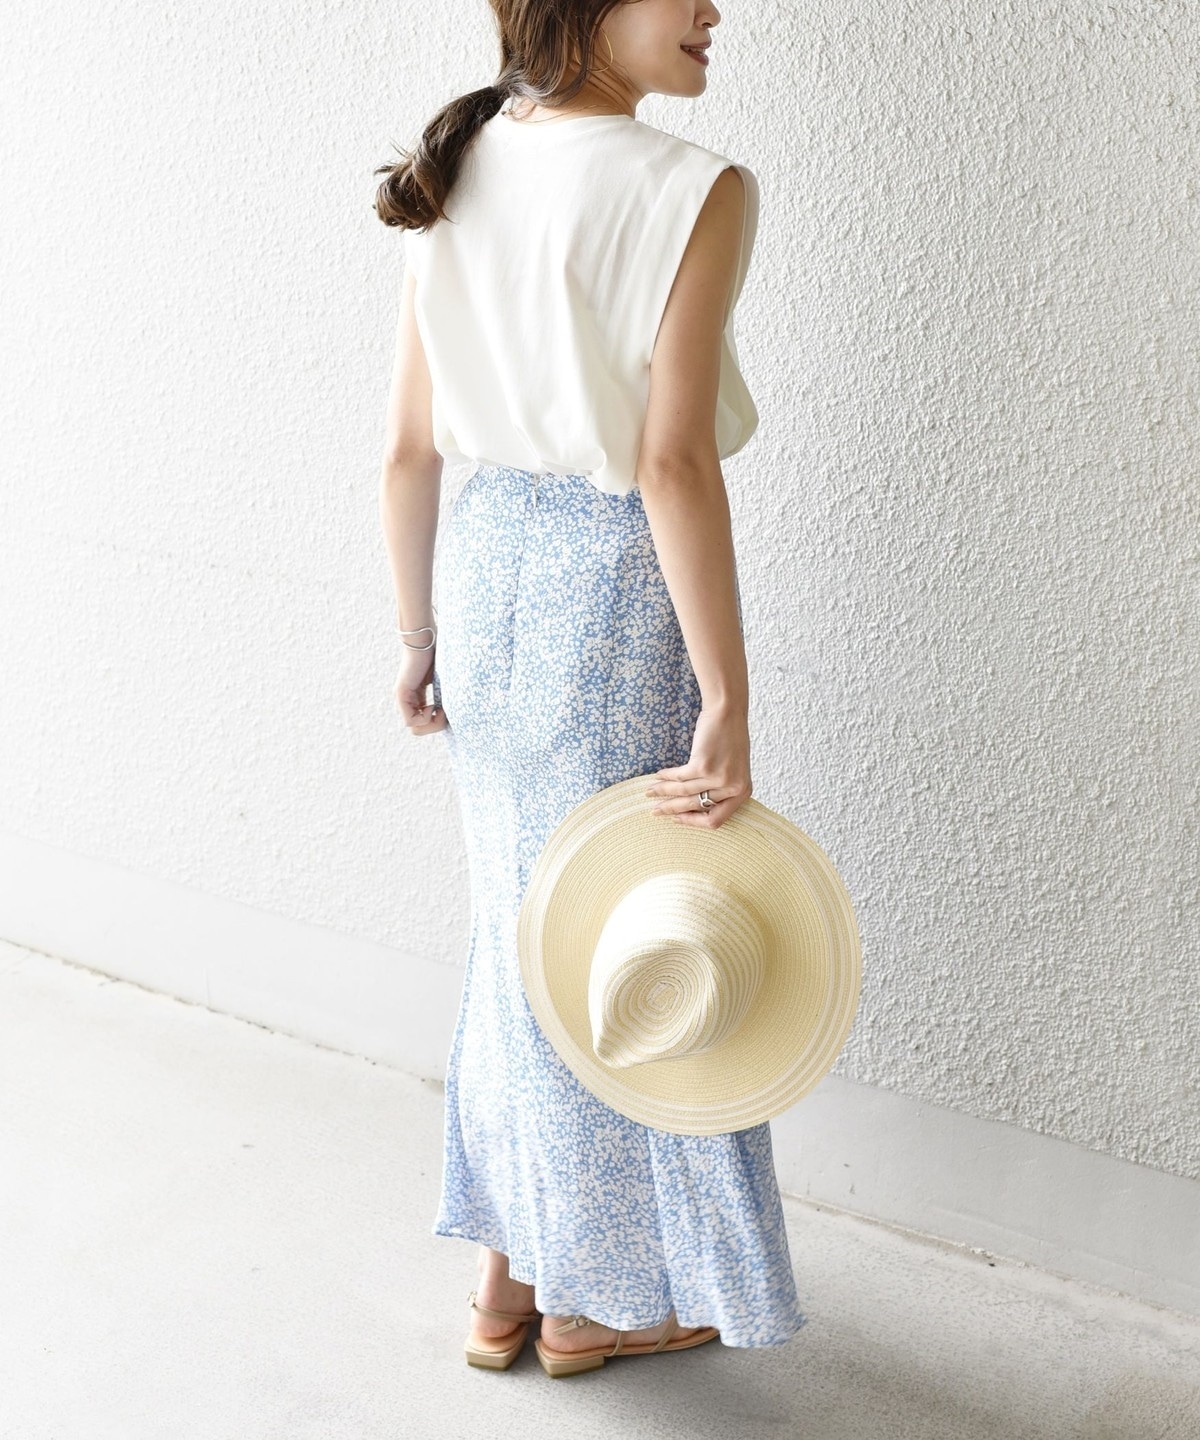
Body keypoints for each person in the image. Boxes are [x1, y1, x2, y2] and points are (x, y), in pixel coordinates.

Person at [373, 0, 806, 1367]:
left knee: (524, 926)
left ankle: (508, 1281)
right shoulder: (692, 188)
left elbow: (407, 449)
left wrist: (416, 634)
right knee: (625, 930)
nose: (714, 10)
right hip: (614, 582)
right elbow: (670, 463)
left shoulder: (460, 159)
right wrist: (728, 696)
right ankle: (593, 1301)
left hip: (483, 568)